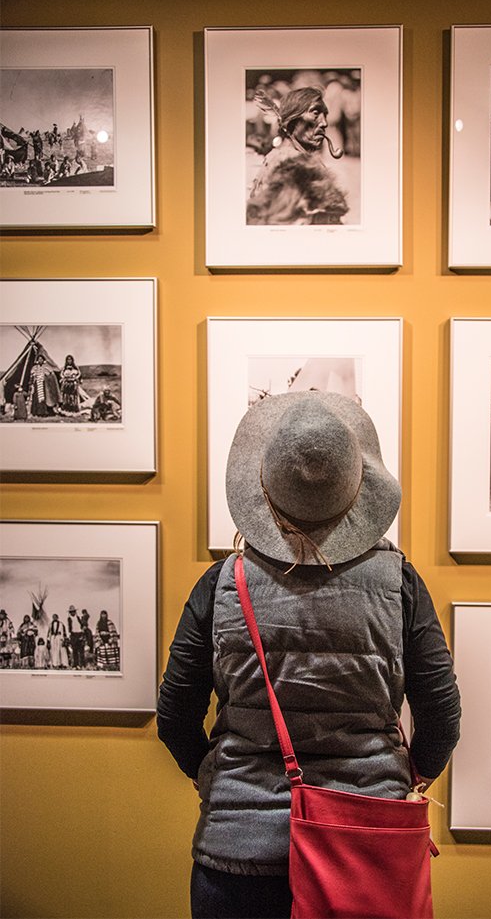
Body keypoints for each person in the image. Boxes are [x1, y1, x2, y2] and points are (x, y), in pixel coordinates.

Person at [157, 390, 461, 919]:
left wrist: (218, 780)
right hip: (364, 844)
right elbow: (442, 716)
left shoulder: (221, 584)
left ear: (264, 489)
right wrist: (402, 780)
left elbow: (175, 715)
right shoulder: (400, 583)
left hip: (235, 856)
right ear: (357, 488)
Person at [247, 86, 349, 226]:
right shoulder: (291, 164)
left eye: (325, 114)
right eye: (315, 113)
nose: (324, 123)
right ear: (291, 121)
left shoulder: (284, 157)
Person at [29, 353, 61, 418]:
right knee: (37, 398)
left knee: (43, 398)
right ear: (37, 360)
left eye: (41, 359)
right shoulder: (34, 367)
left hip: (44, 385)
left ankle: (43, 412)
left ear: (43, 360)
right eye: (39, 359)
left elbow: (51, 375)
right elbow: (32, 376)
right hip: (37, 384)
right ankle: (36, 412)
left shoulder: (47, 367)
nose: (40, 360)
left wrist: (47, 377)